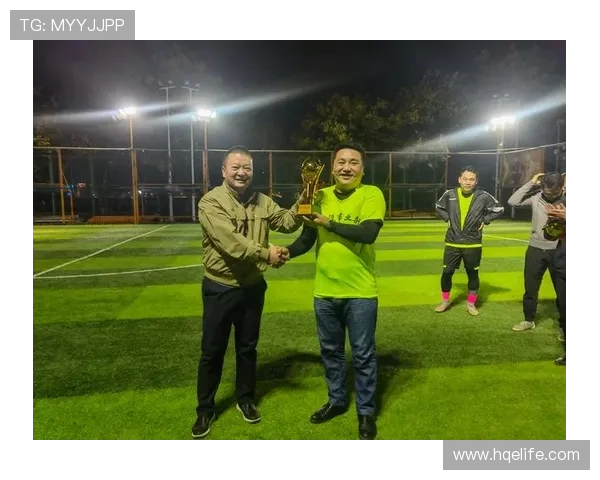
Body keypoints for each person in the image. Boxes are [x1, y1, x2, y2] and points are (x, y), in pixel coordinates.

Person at [192, 146, 304, 439]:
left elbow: (286, 222)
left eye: (247, 168)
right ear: (224, 171)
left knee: (247, 348)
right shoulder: (210, 202)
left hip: (253, 287)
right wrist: (267, 254)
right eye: (236, 167)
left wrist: (305, 199)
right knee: (212, 351)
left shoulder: (262, 201)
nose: (242, 173)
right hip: (220, 287)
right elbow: (230, 243)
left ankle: (245, 399)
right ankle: (205, 408)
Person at [280, 142, 386, 440]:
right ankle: (337, 401)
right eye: (341, 162)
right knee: (330, 352)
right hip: (325, 292)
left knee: (363, 355)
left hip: (360, 292)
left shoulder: (371, 194)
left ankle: (365, 412)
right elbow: (307, 238)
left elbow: (368, 233)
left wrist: (329, 222)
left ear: (362, 169)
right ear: (332, 167)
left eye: (353, 162)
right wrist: (286, 252)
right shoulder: (319, 195)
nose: (346, 167)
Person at [434, 166, 505, 315]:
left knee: (472, 274)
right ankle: (445, 302)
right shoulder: (450, 194)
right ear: (459, 180)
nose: (468, 182)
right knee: (447, 272)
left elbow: (499, 209)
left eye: (471, 179)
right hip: (452, 241)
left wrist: (485, 220)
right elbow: (439, 207)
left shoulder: (483, 196)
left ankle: (471, 304)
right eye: (465, 179)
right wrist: (447, 218)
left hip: (473, 243)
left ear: (476, 181)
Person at [507, 172, 565, 332]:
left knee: (563, 292)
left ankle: (564, 327)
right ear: (542, 187)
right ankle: (528, 320)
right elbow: (513, 201)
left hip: (559, 251)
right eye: (547, 192)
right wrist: (531, 182)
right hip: (535, 250)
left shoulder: (567, 200)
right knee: (530, 288)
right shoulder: (536, 197)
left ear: (561, 187)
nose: (550, 195)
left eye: (554, 192)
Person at [544, 202, 566, 365]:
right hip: (563, 264)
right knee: (565, 311)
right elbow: (550, 236)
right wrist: (553, 221)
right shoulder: (564, 203)